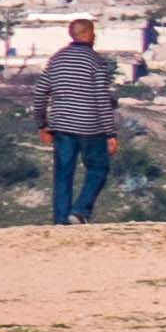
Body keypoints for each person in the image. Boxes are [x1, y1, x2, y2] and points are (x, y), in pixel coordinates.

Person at [38, 15, 123, 224]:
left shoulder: (56, 59)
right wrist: (110, 133)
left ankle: (60, 220)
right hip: (90, 127)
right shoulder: (95, 61)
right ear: (87, 34)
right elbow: (102, 99)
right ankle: (80, 210)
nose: (95, 37)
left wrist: (42, 125)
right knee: (98, 168)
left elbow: (40, 92)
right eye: (92, 33)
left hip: (62, 126)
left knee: (63, 173)